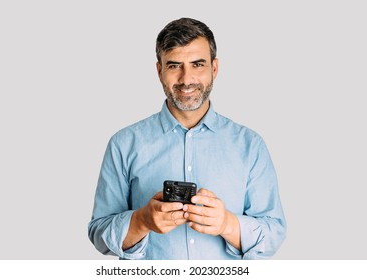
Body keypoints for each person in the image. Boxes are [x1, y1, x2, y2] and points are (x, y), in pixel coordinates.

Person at [88, 17, 286, 260]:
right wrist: (141, 221)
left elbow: (274, 232)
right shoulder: (123, 144)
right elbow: (98, 232)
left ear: (214, 68)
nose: (186, 79)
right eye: (174, 66)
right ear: (160, 71)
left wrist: (227, 224)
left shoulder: (250, 145)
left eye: (197, 64)